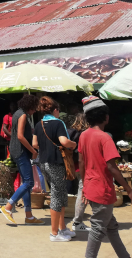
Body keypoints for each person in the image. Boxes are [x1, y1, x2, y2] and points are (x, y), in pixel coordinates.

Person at [79, 96, 132, 258]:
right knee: (98, 230)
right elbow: (112, 167)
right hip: (102, 191)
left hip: (92, 188)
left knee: (111, 227)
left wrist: (84, 186)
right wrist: (130, 191)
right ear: (105, 117)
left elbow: (82, 162)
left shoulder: (84, 135)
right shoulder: (105, 138)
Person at [33, 96, 77, 242]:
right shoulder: (58, 123)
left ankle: (63, 228)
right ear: (56, 110)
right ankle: (54, 233)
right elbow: (64, 141)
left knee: (60, 193)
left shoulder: (39, 124)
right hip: (56, 163)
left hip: (43, 162)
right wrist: (74, 144)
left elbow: (35, 144)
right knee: (57, 197)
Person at [1, 94, 44, 225]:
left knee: (26, 183)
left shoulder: (17, 113)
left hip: (15, 150)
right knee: (29, 183)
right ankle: (8, 207)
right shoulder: (23, 115)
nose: (35, 110)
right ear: (29, 106)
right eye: (34, 108)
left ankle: (29, 216)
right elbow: (20, 136)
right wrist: (33, 151)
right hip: (20, 151)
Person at [69, 113, 90, 232]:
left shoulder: (71, 132)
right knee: (82, 191)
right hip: (83, 166)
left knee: (82, 190)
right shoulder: (86, 133)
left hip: (74, 166)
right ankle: (77, 222)